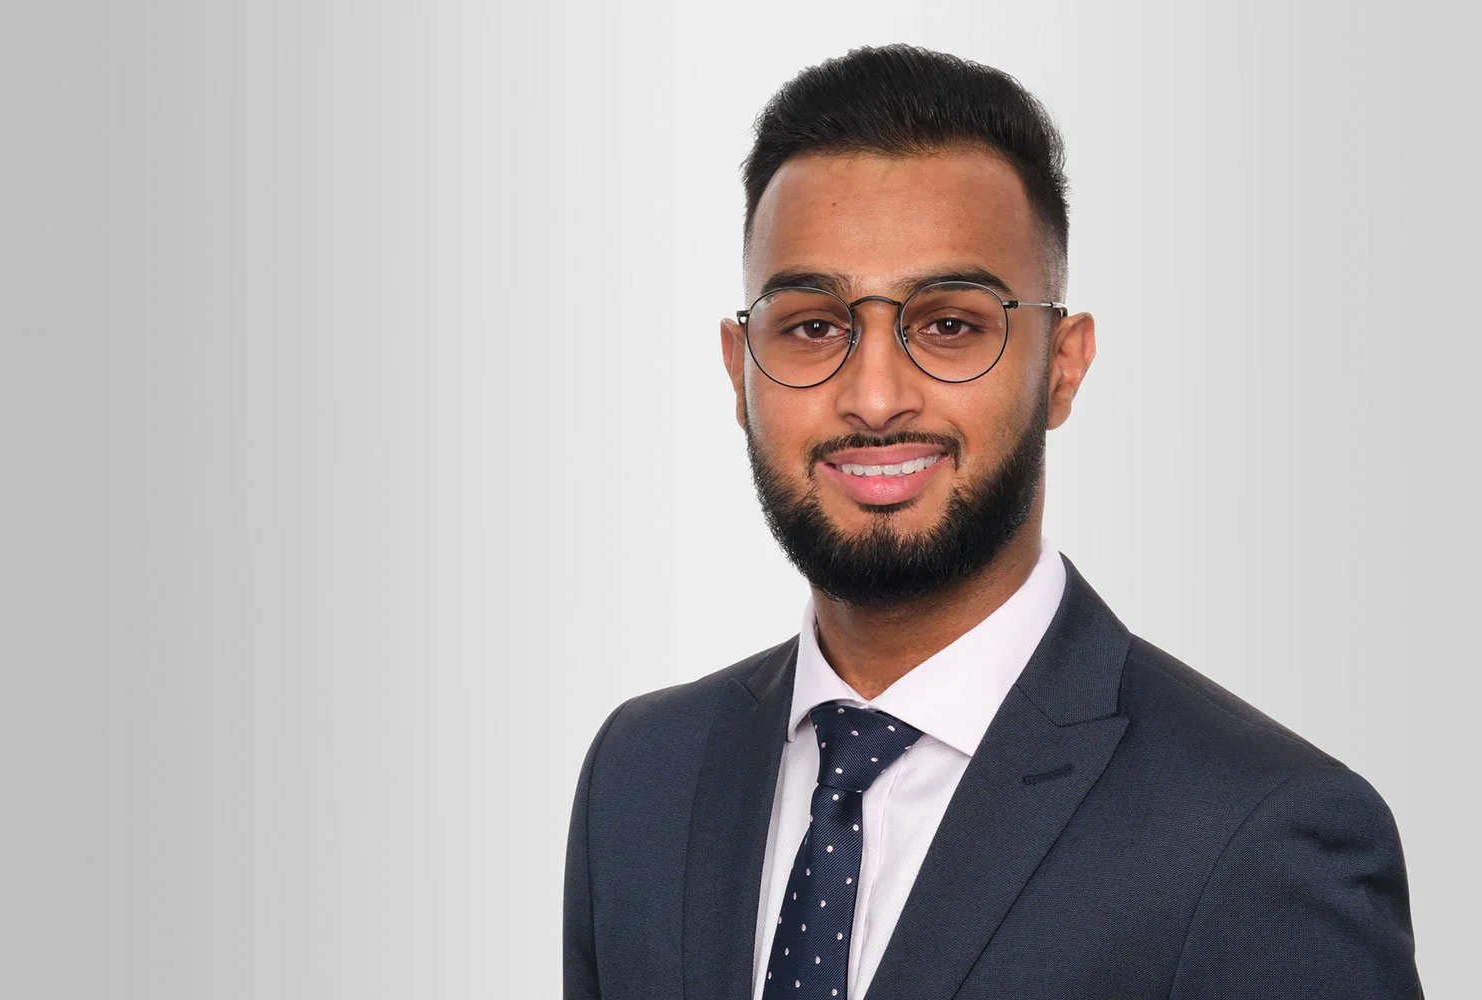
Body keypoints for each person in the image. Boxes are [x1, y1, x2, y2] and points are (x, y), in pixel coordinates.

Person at [562, 44, 1422, 1000]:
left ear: (1062, 364)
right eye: (813, 326)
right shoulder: (642, 781)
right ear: (741, 368)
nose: (875, 396)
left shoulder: (1258, 837)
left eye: (948, 324)